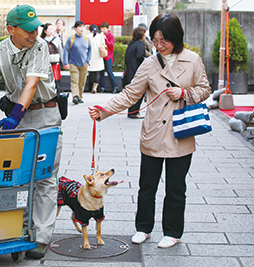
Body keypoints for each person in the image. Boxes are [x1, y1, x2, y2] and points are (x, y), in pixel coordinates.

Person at [88, 13, 211, 248]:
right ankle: (143, 228)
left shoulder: (193, 60)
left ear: (177, 38)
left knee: (176, 187)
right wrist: (102, 110)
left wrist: (185, 93)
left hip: (180, 132)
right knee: (147, 186)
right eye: (155, 40)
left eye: (164, 40)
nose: (159, 45)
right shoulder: (150, 63)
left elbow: (205, 88)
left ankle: (172, 232)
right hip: (154, 132)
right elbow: (130, 94)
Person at [0, 5, 63, 259]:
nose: (34, 34)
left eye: (36, 29)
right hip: (18, 116)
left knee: (45, 175)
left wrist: (14, 116)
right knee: (19, 176)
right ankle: (20, 230)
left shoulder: (40, 46)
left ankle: (41, 237)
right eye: (28, 31)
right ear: (10, 29)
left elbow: (31, 85)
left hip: (45, 113)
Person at [63, 20, 92, 105]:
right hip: (73, 63)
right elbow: (66, 50)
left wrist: (88, 60)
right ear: (75, 28)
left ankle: (80, 96)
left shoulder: (87, 38)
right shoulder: (71, 38)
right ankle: (75, 96)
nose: (81, 29)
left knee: (82, 81)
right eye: (79, 27)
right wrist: (65, 62)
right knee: (74, 81)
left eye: (82, 26)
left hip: (84, 64)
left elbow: (90, 49)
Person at [125, 26, 147, 119]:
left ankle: (131, 111)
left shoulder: (132, 43)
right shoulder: (141, 44)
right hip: (137, 71)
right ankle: (134, 112)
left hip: (130, 70)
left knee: (133, 92)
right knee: (139, 92)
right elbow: (140, 56)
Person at [41, 23, 63, 91]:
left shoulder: (56, 40)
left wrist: (63, 61)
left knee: (56, 80)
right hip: (45, 64)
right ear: (45, 30)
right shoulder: (42, 41)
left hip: (55, 63)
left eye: (52, 29)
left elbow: (61, 51)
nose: (51, 31)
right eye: (49, 29)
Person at [99, 22, 119, 94]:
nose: (103, 30)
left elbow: (111, 46)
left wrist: (105, 39)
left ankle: (115, 87)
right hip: (101, 56)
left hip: (108, 56)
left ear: (107, 29)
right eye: (102, 28)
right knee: (101, 72)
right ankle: (102, 87)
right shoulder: (100, 35)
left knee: (109, 71)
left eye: (105, 28)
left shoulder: (111, 36)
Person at [87, 24, 105, 93]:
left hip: (90, 56)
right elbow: (103, 45)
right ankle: (95, 87)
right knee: (97, 72)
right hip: (98, 57)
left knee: (90, 72)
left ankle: (89, 87)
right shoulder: (100, 37)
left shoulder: (87, 36)